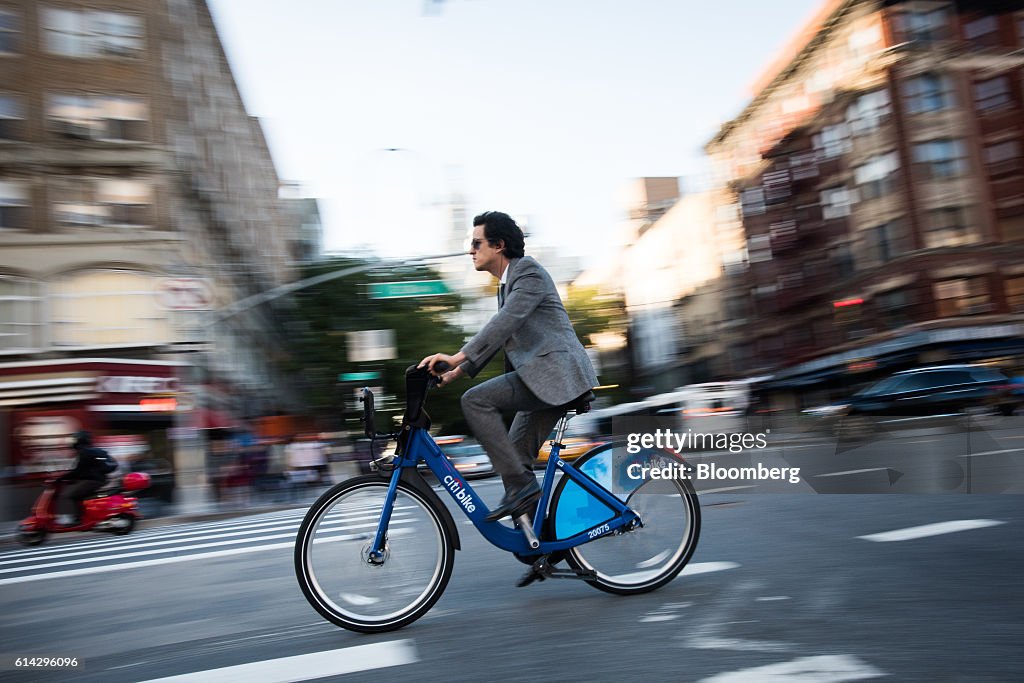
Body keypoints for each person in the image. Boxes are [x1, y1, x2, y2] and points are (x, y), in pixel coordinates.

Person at [420, 211, 598, 522]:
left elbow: (505, 323)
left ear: (499, 244)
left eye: (476, 243)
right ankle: (535, 544)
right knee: (513, 460)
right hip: (542, 379)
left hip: (557, 374)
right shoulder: (506, 285)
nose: (470, 250)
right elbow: (502, 336)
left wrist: (457, 356)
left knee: (476, 400)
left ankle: (525, 491)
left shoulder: (527, 272)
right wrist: (456, 371)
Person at [55, 430, 110, 526]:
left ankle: (79, 519)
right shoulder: (86, 451)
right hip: (95, 479)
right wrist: (69, 479)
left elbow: (78, 471)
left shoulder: (85, 452)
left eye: (74, 439)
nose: (72, 441)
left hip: (93, 480)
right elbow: (83, 470)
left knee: (72, 494)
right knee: (78, 494)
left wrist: (61, 478)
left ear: (80, 440)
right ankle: (85, 516)